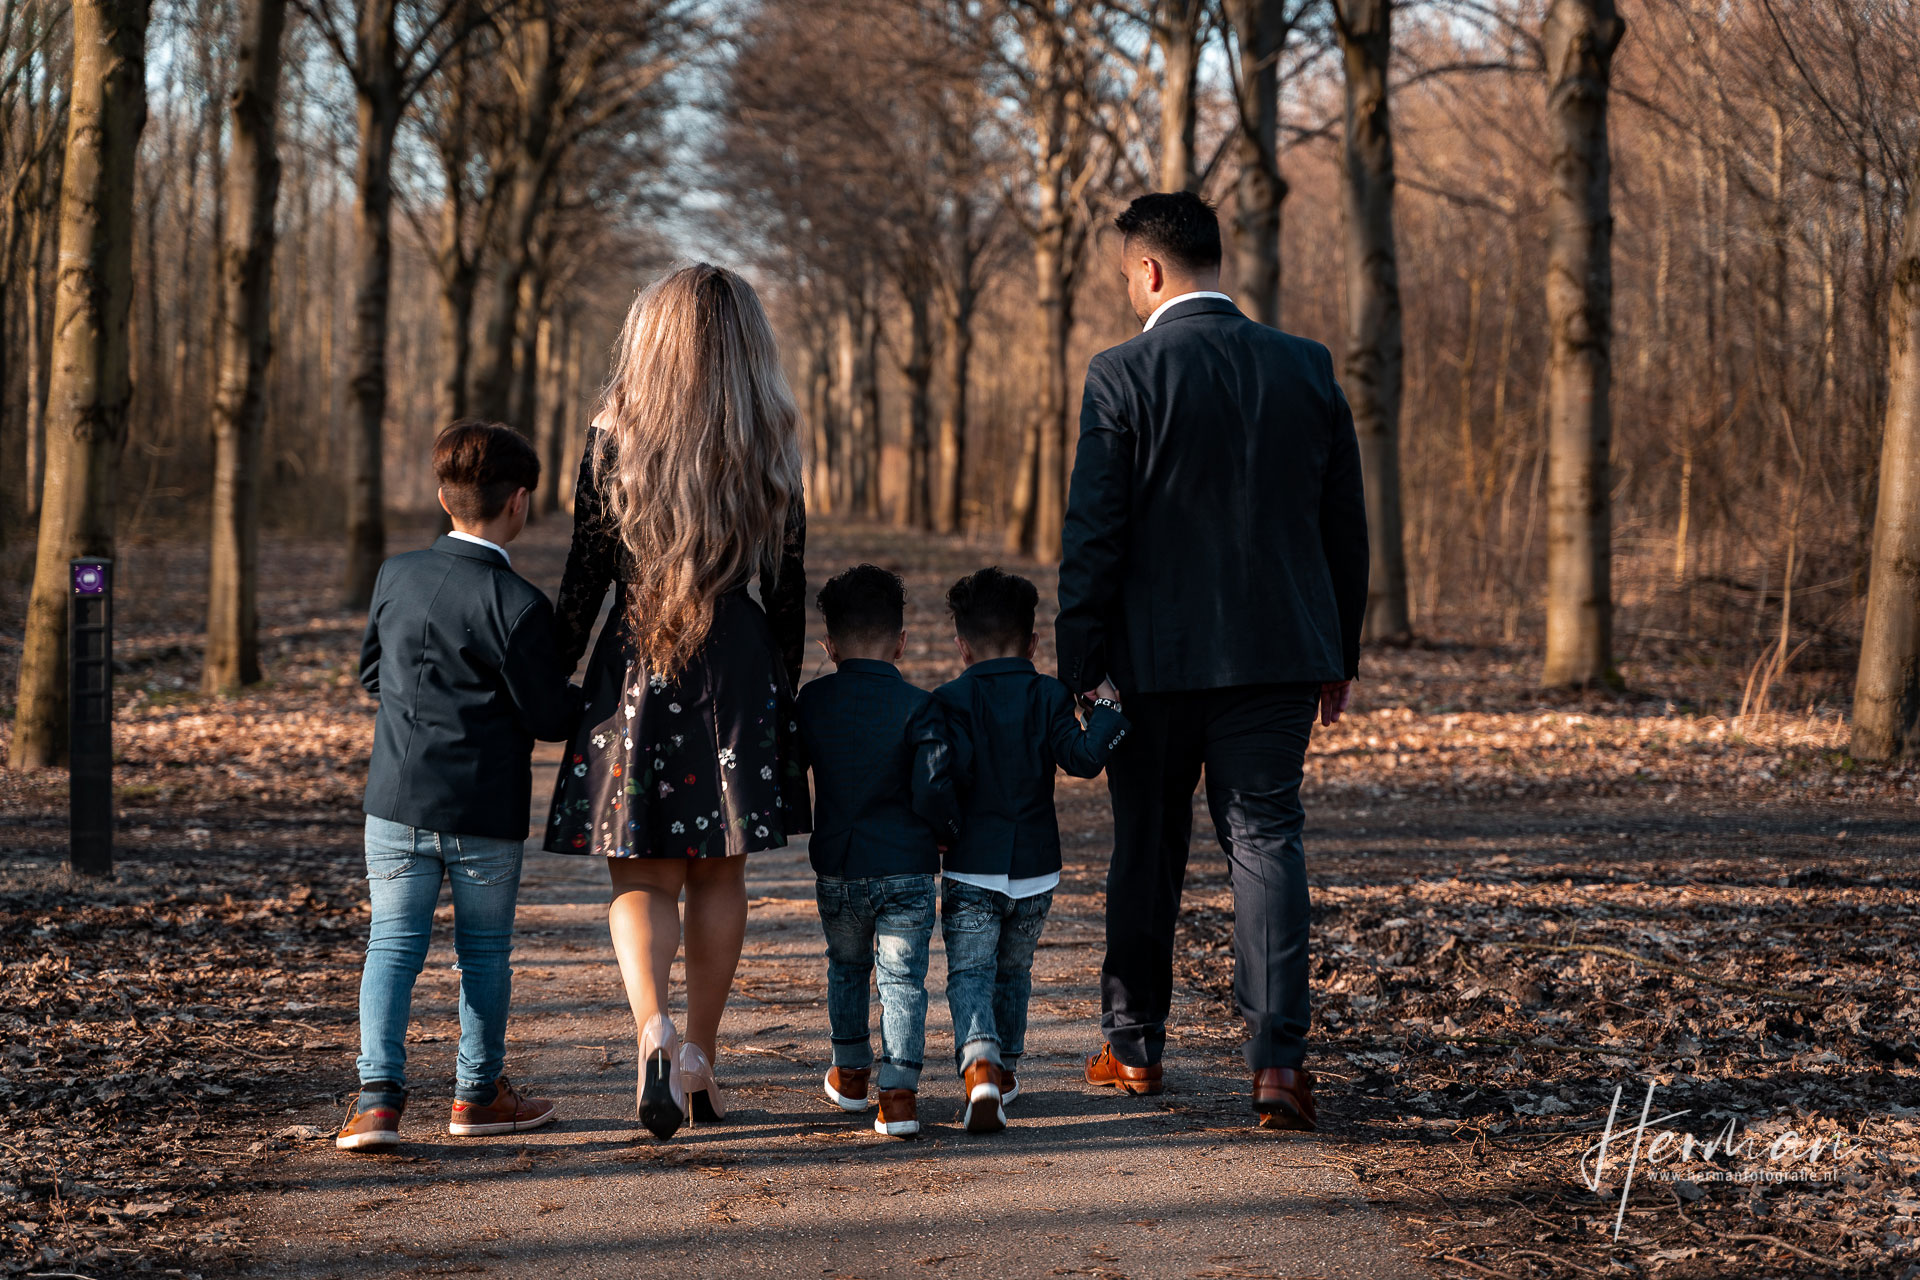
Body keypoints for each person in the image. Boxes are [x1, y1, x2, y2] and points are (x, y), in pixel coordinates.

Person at [1057, 191, 1369, 1132]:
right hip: (1279, 656)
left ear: (1149, 271)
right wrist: (1337, 650)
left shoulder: (1121, 374)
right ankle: (1278, 1066)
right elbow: (1344, 529)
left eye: (1124, 276)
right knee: (1266, 841)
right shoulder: (1307, 368)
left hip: (1150, 664)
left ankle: (1136, 1047)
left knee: (1147, 845)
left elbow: (1095, 536)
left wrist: (1081, 661)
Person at [544, 263, 809, 1142]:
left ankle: (650, 1027)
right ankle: (698, 1056)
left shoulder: (612, 432)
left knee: (643, 872)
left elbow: (585, 571)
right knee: (720, 869)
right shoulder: (769, 430)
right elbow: (788, 583)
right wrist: (784, 687)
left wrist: (555, 670)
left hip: (636, 662)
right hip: (735, 664)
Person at [338, 420, 575, 1152]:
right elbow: (549, 718)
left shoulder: (395, 576)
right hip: (484, 808)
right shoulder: (521, 605)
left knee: (392, 946)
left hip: (398, 799)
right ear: (520, 503)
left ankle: (377, 1101)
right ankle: (477, 1096)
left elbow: (372, 673)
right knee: (483, 954)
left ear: (445, 498)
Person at [914, 567, 1129, 1134]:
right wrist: (1108, 711)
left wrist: (943, 831)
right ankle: (1005, 1069)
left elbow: (935, 782)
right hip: (1036, 868)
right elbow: (1084, 759)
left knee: (970, 971)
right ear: (1033, 643)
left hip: (971, 865)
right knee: (1014, 969)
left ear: (961, 645)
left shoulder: (950, 701)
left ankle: (981, 1062)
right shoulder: (1050, 694)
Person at [794, 565, 945, 1140]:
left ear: (828, 646)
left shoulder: (812, 701)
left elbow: (790, 770)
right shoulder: (920, 706)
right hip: (906, 864)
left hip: (838, 864)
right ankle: (900, 1096)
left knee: (848, 967)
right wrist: (944, 829)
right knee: (902, 979)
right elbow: (933, 787)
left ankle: (853, 1076)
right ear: (902, 642)